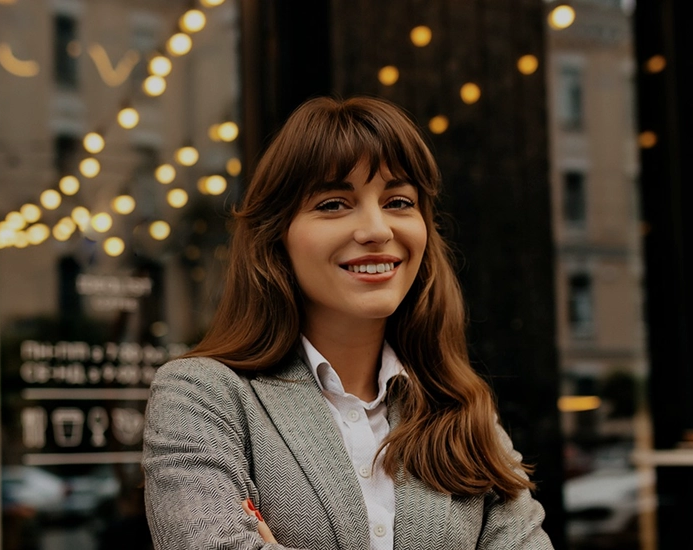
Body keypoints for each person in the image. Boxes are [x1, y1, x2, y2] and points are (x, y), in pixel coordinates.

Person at [142, 96, 552, 550]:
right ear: (278, 236)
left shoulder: (465, 413)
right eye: (334, 204)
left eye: (399, 201)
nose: (377, 230)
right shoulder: (201, 398)